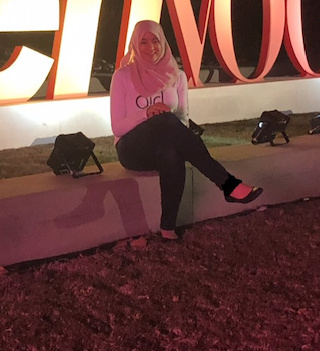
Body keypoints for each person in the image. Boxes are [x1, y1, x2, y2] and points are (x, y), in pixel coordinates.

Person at [110, 19, 263, 240]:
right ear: (135, 44)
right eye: (143, 42)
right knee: (164, 119)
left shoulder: (177, 76)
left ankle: (168, 228)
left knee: (171, 151)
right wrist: (147, 113)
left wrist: (164, 119)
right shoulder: (123, 76)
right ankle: (228, 184)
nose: (150, 47)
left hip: (163, 145)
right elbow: (117, 127)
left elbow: (182, 121)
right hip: (132, 149)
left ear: (163, 43)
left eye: (155, 41)